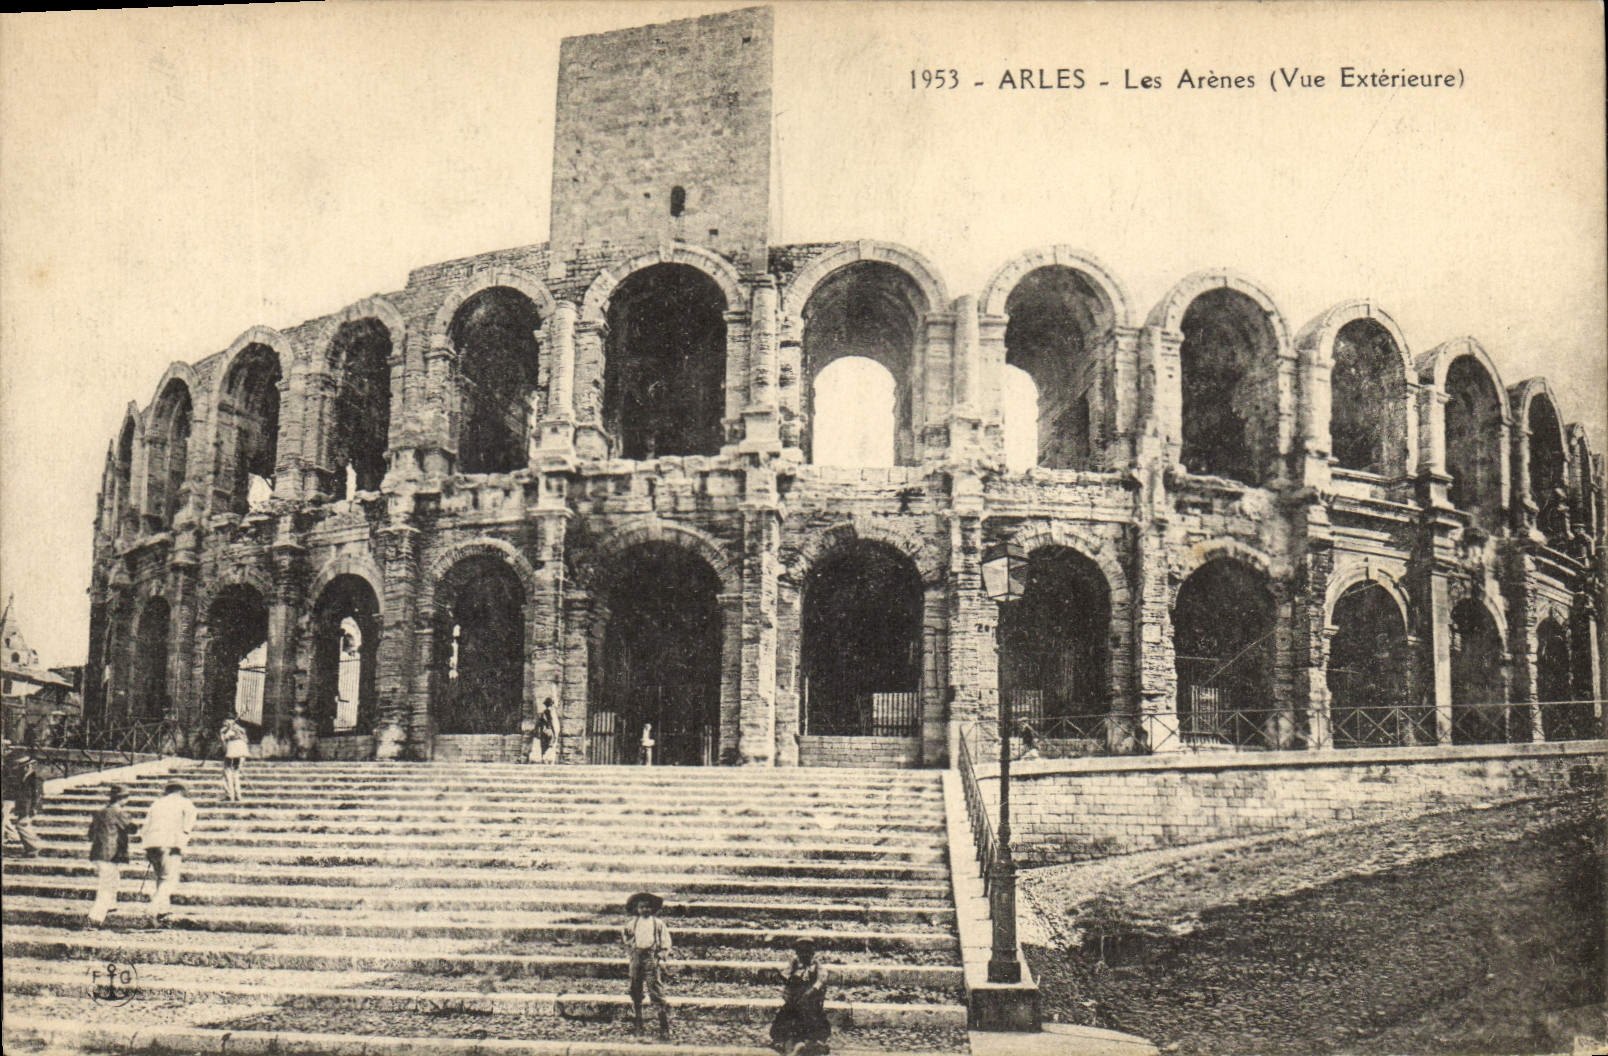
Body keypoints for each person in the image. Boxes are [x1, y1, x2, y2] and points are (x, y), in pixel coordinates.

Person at [139, 780, 196, 924]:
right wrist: (182, 842)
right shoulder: (185, 803)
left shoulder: (156, 803)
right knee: (169, 879)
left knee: (161, 877)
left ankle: (163, 909)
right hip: (170, 843)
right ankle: (152, 909)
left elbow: (145, 826)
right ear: (181, 790)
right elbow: (188, 825)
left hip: (151, 843)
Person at [621, 891, 673, 1038]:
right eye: (642, 907)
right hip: (637, 958)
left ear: (652, 909)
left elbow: (665, 941)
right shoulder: (632, 924)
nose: (645, 910)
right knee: (635, 987)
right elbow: (626, 937)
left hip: (651, 958)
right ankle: (638, 1022)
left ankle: (664, 1025)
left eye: (648, 907)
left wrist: (661, 955)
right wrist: (632, 949)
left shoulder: (657, 924)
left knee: (655, 989)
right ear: (636, 909)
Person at [769, 937, 831, 1056]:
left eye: (807, 952)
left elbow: (820, 981)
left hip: (810, 1001)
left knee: (812, 1021)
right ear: (797, 953)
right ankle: (787, 1044)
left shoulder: (817, 966)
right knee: (786, 1019)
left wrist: (811, 991)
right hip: (795, 1000)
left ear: (812, 953)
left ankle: (811, 1044)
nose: (804, 955)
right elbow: (786, 977)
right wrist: (778, 976)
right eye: (801, 952)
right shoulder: (794, 964)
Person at [87, 784, 135, 926]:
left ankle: (111, 905)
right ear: (123, 798)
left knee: (113, 879)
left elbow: (90, 834)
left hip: (97, 852)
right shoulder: (119, 812)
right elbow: (132, 828)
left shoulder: (100, 812)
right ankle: (95, 917)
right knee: (106, 885)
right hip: (110, 854)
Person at [2, 748, 45, 857]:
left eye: (23, 767)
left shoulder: (34, 778)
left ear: (28, 766)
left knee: (22, 825)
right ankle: (31, 849)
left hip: (28, 807)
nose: (21, 770)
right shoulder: (24, 778)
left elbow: (37, 795)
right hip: (23, 807)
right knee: (22, 826)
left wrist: (34, 808)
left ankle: (34, 848)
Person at [219, 717, 249, 803]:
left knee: (227, 772)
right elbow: (246, 740)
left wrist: (223, 734)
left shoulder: (226, 731)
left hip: (232, 751)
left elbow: (224, 744)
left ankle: (230, 795)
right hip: (241, 751)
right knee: (235, 773)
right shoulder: (240, 730)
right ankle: (238, 795)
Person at [533, 700, 556, 764]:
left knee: (544, 745)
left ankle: (544, 758)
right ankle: (546, 759)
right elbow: (550, 723)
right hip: (547, 731)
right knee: (548, 745)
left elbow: (539, 723)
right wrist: (553, 732)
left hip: (543, 731)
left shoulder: (543, 713)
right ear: (550, 705)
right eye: (552, 705)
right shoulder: (548, 712)